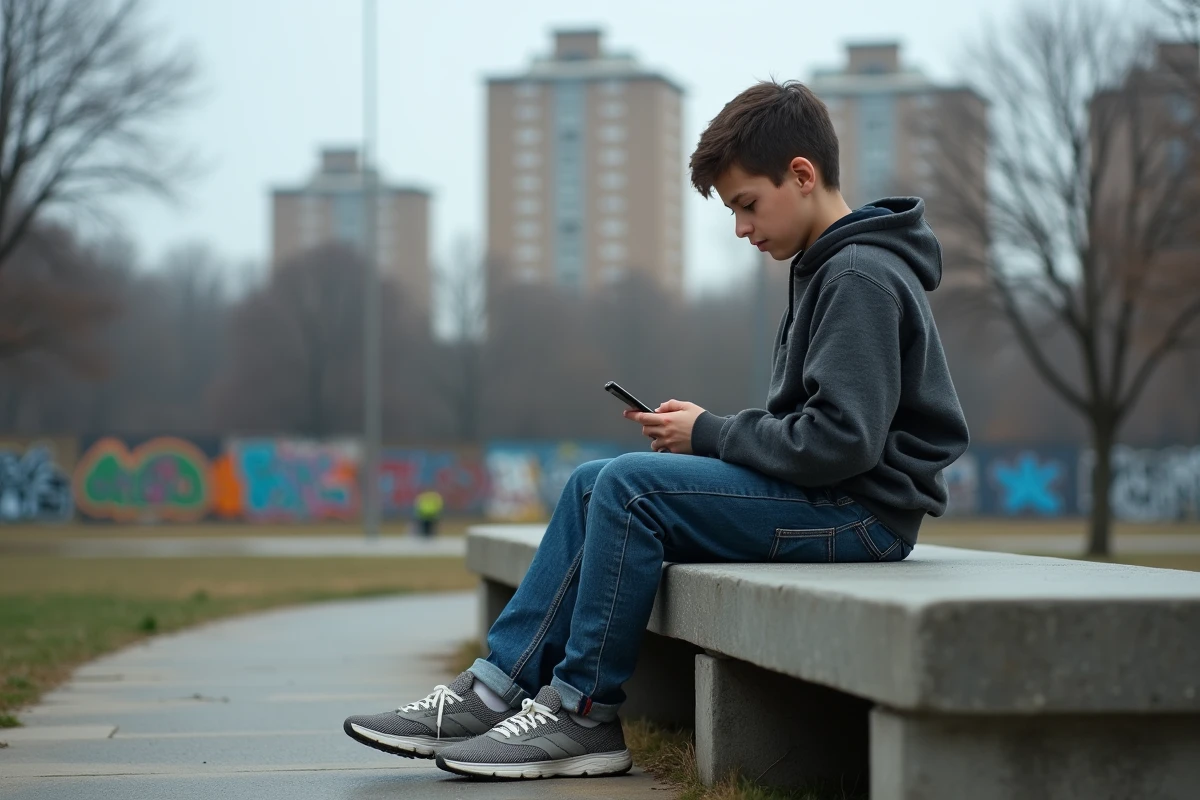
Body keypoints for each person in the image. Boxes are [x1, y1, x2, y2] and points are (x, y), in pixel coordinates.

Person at [343, 79, 970, 780]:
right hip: (835, 499)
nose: (741, 228)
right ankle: (493, 689)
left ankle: (582, 715)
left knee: (632, 490)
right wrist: (707, 431)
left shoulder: (857, 275)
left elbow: (839, 443)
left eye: (746, 205)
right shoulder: (829, 267)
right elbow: (820, 432)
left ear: (802, 175)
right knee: (591, 482)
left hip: (862, 516)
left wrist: (711, 434)